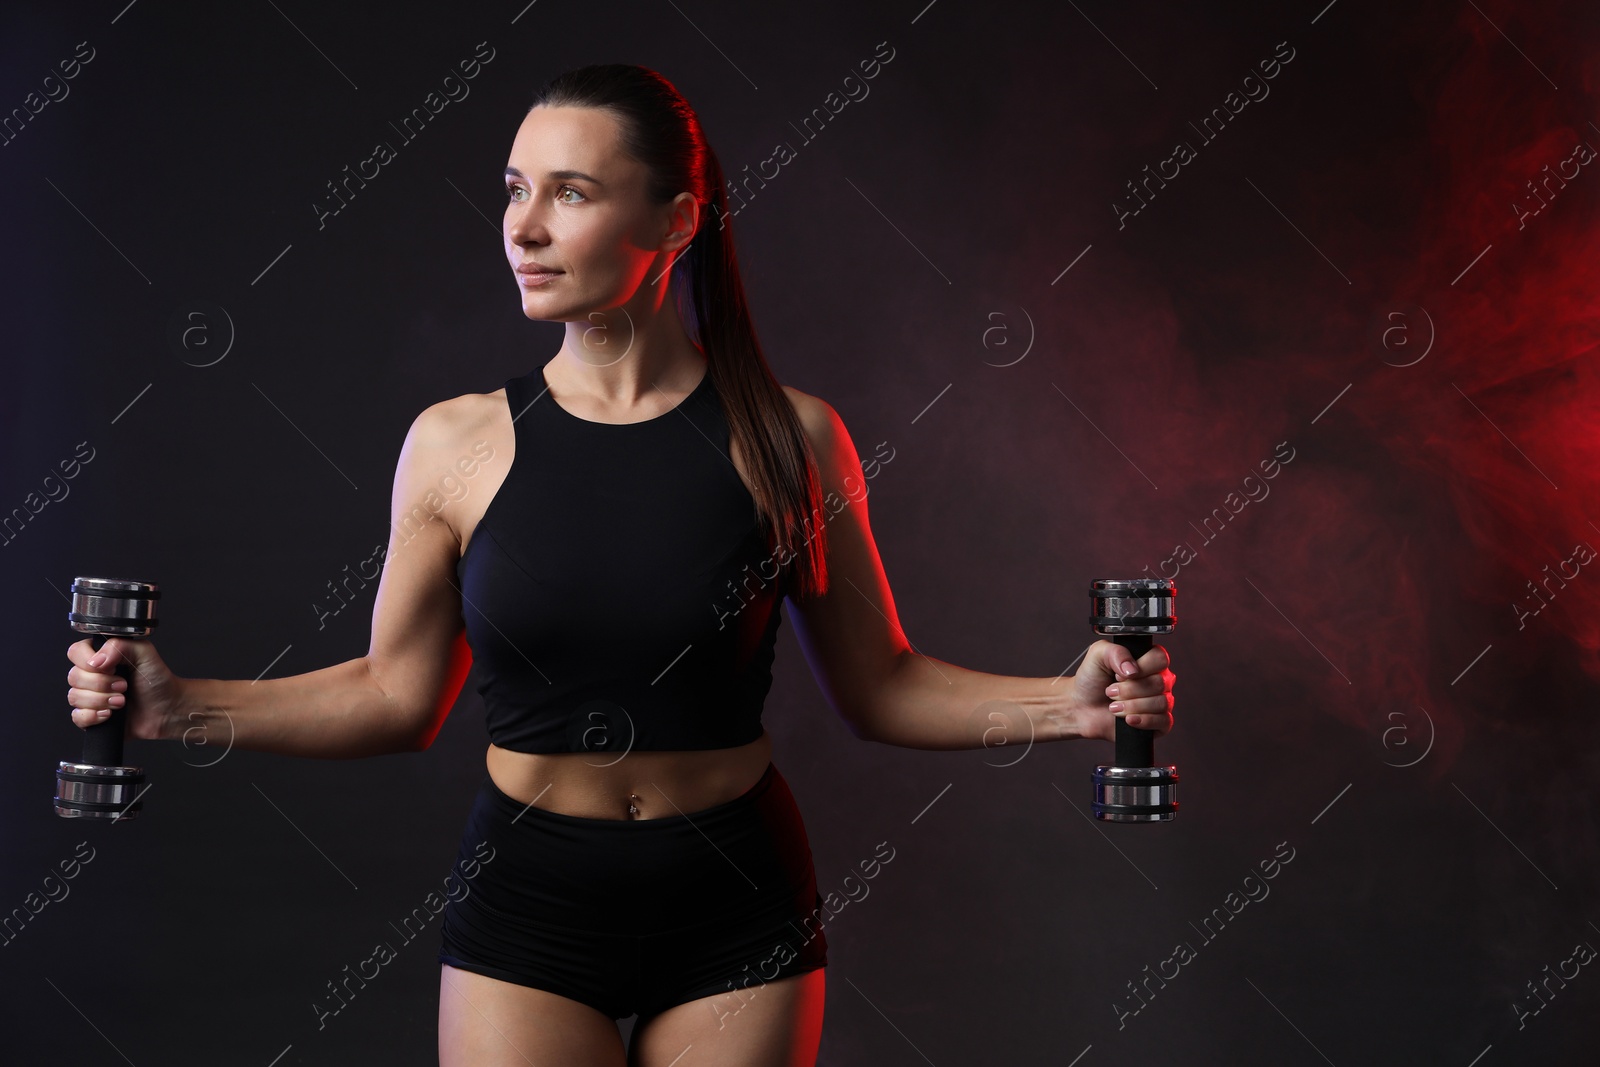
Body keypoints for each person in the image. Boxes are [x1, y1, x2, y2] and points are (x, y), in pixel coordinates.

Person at [63, 63, 1175, 1067]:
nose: (523, 228)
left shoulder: (791, 439)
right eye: (513, 189)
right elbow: (394, 695)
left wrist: (1062, 706)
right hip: (530, 901)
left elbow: (879, 684)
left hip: (736, 899)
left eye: (571, 193)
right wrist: (180, 706)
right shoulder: (454, 445)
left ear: (677, 218)